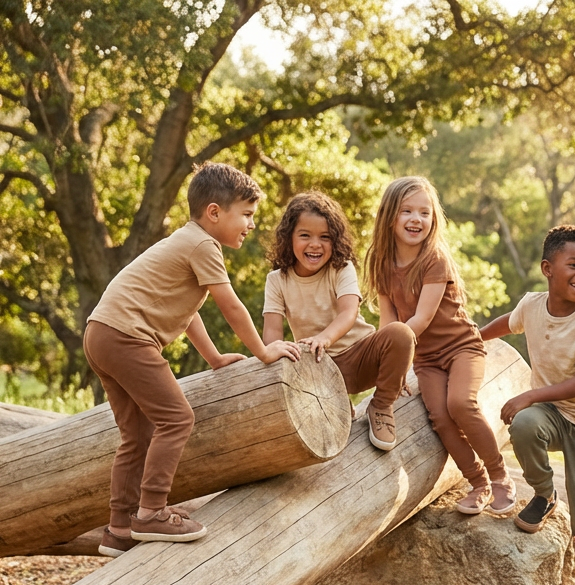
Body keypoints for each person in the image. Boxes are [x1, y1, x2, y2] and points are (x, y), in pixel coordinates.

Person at [85, 162, 301, 557]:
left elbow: (189, 312)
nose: (251, 224)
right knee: (177, 418)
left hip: (101, 334)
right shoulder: (203, 245)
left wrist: (214, 357)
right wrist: (264, 350)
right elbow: (230, 306)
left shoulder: (186, 242)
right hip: (127, 338)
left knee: (137, 434)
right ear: (214, 212)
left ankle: (119, 528)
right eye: (247, 214)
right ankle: (151, 512)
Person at [363, 177, 514, 513]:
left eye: (424, 212)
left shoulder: (434, 259)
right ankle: (478, 483)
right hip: (427, 359)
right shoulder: (382, 262)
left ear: (433, 219)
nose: (416, 219)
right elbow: (388, 321)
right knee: (441, 419)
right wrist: (390, 366)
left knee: (460, 404)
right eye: (407, 211)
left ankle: (500, 476)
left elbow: (421, 319)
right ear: (389, 216)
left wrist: (396, 355)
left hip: (462, 348)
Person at [479, 225, 575, 585]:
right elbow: (508, 323)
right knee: (524, 424)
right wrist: (473, 339)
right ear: (547, 269)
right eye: (574, 265)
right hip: (552, 416)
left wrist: (528, 395)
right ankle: (544, 494)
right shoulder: (532, 305)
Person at [262, 191, 416, 450]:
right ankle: (338, 405)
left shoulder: (341, 268)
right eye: (305, 235)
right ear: (289, 238)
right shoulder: (277, 280)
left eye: (325, 237)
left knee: (401, 333)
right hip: (319, 365)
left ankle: (381, 405)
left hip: (361, 356)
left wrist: (324, 338)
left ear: (335, 240)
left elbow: (348, 312)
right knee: (279, 362)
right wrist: (276, 352)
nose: (315, 244)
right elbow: (272, 333)